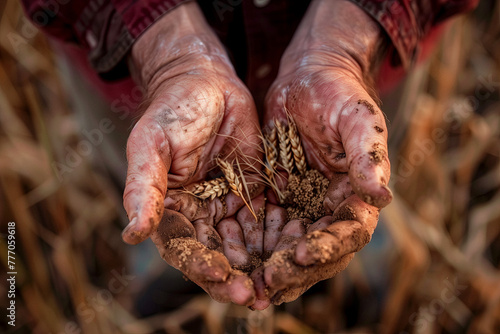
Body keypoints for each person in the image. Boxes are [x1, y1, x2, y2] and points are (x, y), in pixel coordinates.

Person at [21, 0, 479, 310]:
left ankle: (363, 264)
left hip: (368, 57)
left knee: (362, 161)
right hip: (131, 66)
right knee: (155, 183)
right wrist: (166, 52)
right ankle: (155, 265)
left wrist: (346, 41)